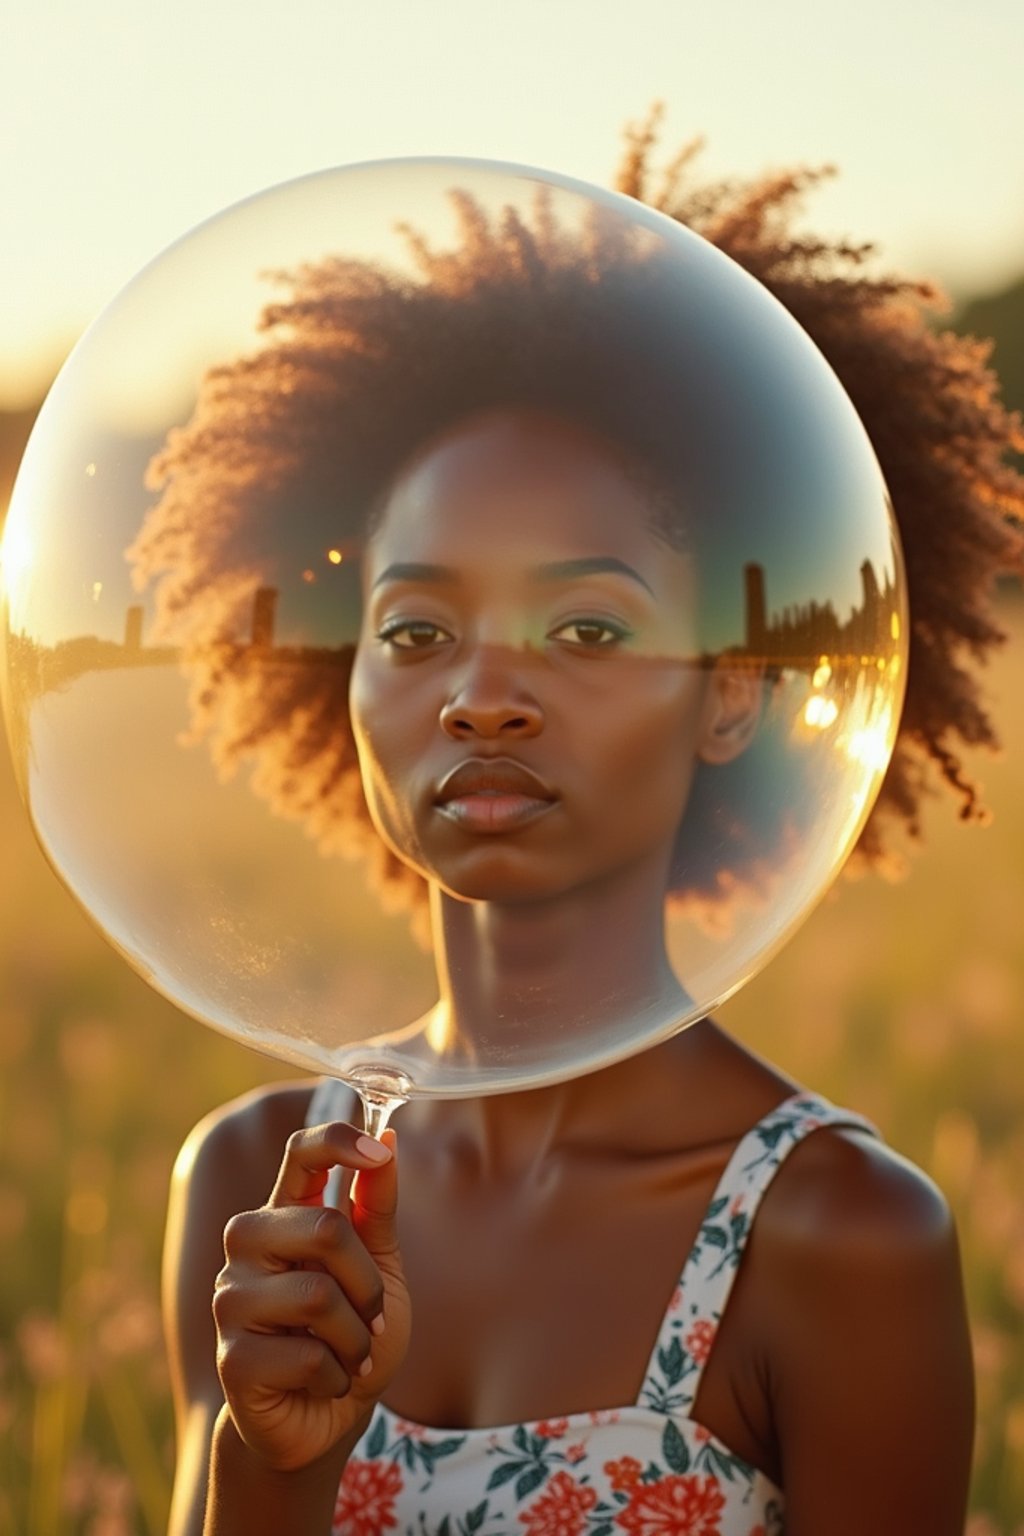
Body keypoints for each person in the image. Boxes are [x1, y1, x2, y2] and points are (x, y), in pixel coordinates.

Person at [153, 118, 1023, 1535]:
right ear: (348, 686)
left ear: (729, 694)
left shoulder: (839, 1235)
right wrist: (277, 1462)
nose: (485, 697)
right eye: (418, 627)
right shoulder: (263, 1184)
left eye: (587, 625)